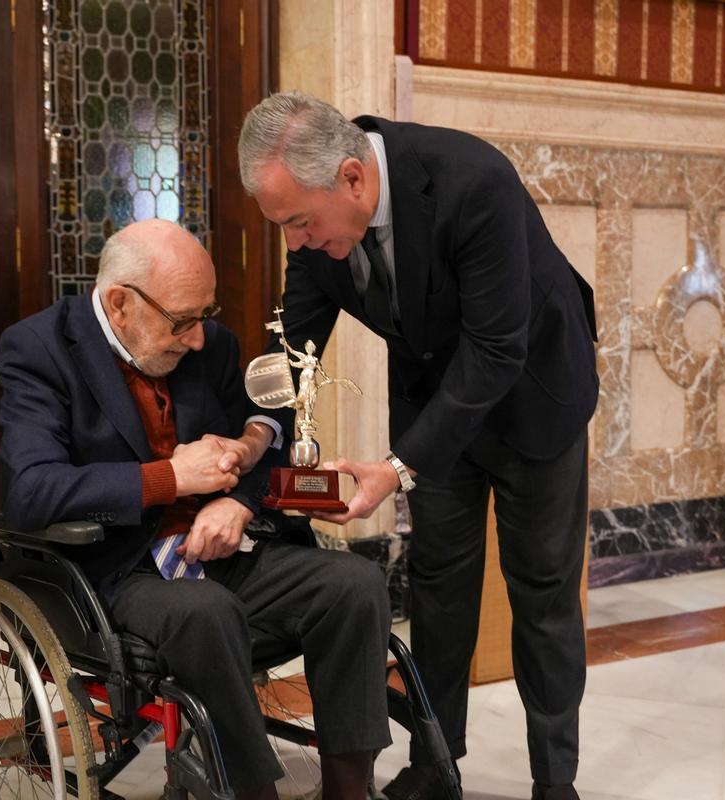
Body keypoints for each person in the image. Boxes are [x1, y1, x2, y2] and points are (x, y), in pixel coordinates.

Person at [238, 93, 599, 800]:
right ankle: (437, 762)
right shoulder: (313, 232)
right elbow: (295, 350)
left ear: (352, 179)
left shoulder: (472, 180)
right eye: (281, 226)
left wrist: (395, 469)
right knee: (437, 585)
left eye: (299, 223)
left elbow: (497, 349)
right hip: (436, 402)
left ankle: (556, 780)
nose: (294, 243)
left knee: (543, 588)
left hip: (535, 397)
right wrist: (256, 433)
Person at [0, 218, 392, 800]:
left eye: (206, 315)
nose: (200, 338)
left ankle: (347, 789)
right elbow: (31, 490)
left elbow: (265, 434)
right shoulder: (39, 349)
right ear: (120, 304)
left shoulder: (213, 343)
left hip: (221, 547)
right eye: (183, 321)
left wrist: (236, 497)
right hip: (114, 568)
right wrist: (168, 478)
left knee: (355, 583)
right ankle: (248, 791)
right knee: (204, 614)